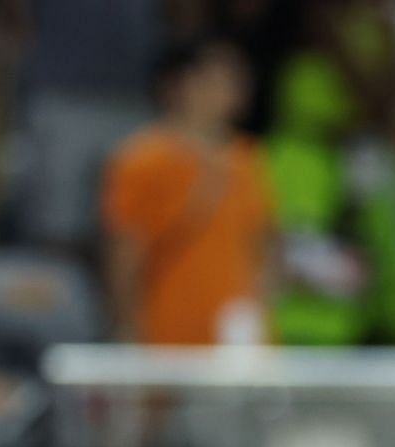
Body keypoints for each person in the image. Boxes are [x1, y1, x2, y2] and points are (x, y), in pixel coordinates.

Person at [102, 38, 273, 345]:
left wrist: (259, 314)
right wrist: (127, 327)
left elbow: (261, 247)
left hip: (234, 337)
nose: (228, 89)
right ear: (181, 83)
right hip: (166, 333)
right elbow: (124, 254)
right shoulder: (141, 160)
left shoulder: (248, 159)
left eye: (235, 78)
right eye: (214, 78)